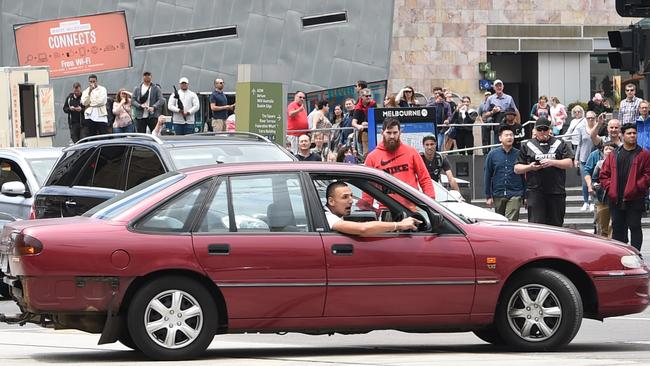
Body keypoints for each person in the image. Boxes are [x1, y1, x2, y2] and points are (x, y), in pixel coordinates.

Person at [514, 117, 574, 227]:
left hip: (556, 191)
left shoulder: (560, 143)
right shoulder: (527, 145)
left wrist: (552, 162)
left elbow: (569, 163)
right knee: (536, 226)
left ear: (549, 130)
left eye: (545, 129)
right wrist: (530, 167)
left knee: (556, 225)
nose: (542, 132)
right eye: (539, 129)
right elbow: (517, 168)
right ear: (535, 130)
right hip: (535, 191)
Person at [600, 123, 650, 251]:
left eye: (634, 133)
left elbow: (648, 175)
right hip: (616, 198)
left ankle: (636, 255)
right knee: (617, 229)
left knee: (635, 227)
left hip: (635, 198)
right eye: (629, 133)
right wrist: (611, 188)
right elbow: (604, 174)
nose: (632, 135)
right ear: (623, 136)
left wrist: (636, 187)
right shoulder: (614, 154)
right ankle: (620, 256)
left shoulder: (644, 154)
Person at [364, 118, 435, 206]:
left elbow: (425, 179)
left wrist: (431, 203)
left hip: (412, 208)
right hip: (386, 210)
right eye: (389, 133)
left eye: (395, 132)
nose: (392, 136)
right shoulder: (372, 157)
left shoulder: (411, 152)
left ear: (400, 133)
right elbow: (368, 190)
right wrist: (366, 211)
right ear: (382, 133)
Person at [324, 181, 420, 235]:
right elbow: (362, 229)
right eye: (345, 197)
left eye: (351, 196)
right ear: (331, 201)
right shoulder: (327, 218)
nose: (351, 201)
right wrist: (398, 225)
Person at [484, 126, 526, 221]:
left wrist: (525, 196)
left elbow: (524, 176)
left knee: (510, 221)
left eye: (511, 135)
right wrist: (488, 196)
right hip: (498, 194)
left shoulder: (519, 154)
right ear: (500, 138)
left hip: (515, 193)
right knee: (500, 221)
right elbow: (487, 175)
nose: (509, 137)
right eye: (506, 135)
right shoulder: (492, 155)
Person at [584, 143, 617, 237]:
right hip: (602, 197)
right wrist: (596, 186)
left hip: (615, 197)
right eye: (606, 149)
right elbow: (594, 179)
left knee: (614, 224)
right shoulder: (599, 164)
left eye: (611, 149)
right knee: (602, 223)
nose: (609, 151)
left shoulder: (619, 162)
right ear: (603, 151)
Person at [574, 109, 597, 212]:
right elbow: (579, 144)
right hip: (583, 158)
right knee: (584, 182)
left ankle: (593, 202)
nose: (590, 120)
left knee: (593, 181)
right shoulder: (581, 128)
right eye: (588, 118)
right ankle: (586, 202)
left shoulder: (598, 128)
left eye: (592, 118)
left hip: (595, 159)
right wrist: (576, 158)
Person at [352, 88, 376, 157]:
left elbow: (376, 117)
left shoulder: (373, 104)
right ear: (361, 97)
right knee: (366, 152)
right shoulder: (358, 108)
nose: (368, 97)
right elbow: (353, 123)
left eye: (370, 96)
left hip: (373, 131)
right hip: (363, 132)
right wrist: (359, 126)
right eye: (366, 96)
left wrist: (369, 123)